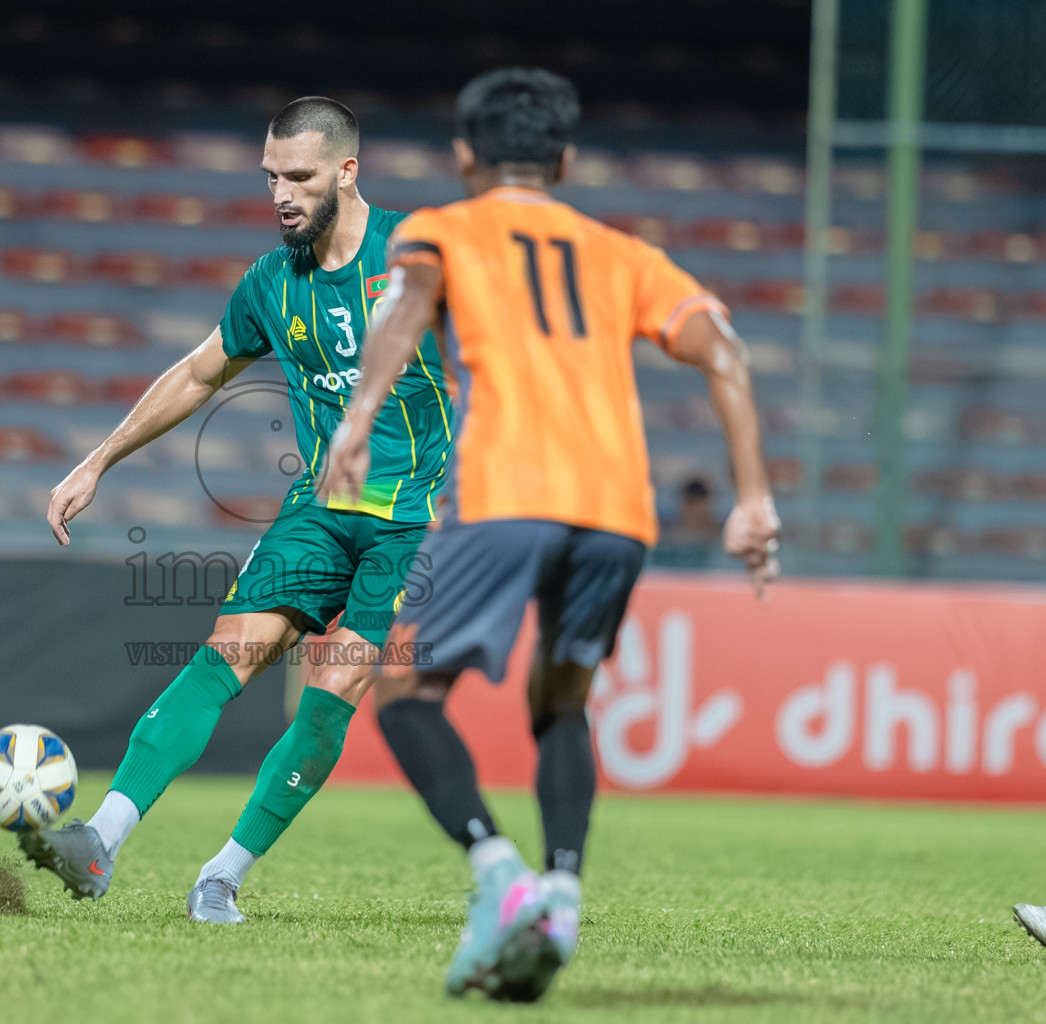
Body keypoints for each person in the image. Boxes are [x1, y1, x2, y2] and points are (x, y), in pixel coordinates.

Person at [320, 67, 781, 1000]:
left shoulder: (439, 229)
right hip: (619, 511)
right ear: (565, 159)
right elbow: (724, 352)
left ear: (462, 155)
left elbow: (406, 308)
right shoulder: (623, 253)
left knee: (403, 687)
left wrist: (358, 416)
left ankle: (501, 878)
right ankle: (561, 896)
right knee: (563, 701)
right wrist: (755, 499)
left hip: (509, 495)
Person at [22, 97, 453, 924]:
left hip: (411, 520)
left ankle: (222, 874)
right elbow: (194, 375)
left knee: (337, 686)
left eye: (300, 177)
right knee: (224, 657)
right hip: (319, 511)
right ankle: (101, 840)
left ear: (347, 171)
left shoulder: (420, 253)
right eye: (271, 178)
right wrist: (98, 460)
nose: (282, 194)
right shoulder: (270, 282)